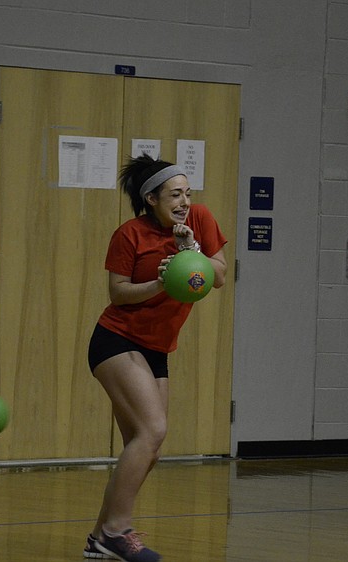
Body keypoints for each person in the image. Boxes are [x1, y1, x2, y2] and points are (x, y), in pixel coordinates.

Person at [83, 155, 227, 561]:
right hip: (115, 340)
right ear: (151, 198)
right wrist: (160, 282)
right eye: (174, 194)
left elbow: (218, 276)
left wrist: (190, 249)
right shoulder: (129, 234)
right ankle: (116, 531)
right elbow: (119, 292)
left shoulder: (198, 219)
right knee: (153, 429)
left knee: (146, 446)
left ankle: (98, 540)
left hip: (157, 349)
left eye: (187, 192)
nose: (184, 201)